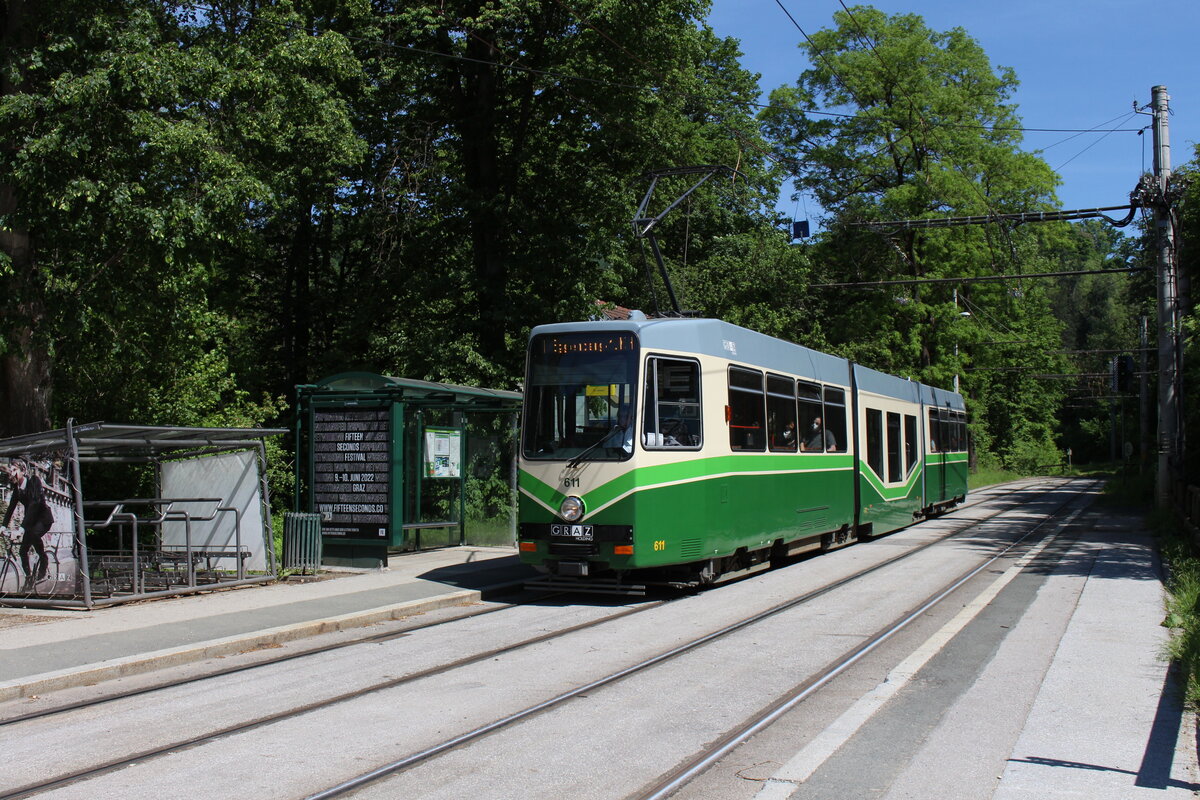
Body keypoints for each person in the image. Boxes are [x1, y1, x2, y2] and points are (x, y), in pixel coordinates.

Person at [2, 459, 54, 591]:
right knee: (22, 551)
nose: (12, 473)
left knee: (34, 534)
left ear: (23, 471)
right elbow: (10, 508)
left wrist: (21, 528)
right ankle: (29, 578)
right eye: (11, 471)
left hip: (43, 519)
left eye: (15, 470)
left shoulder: (34, 481)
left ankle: (44, 559)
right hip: (30, 522)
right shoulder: (17, 489)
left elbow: (33, 506)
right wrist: (2, 526)